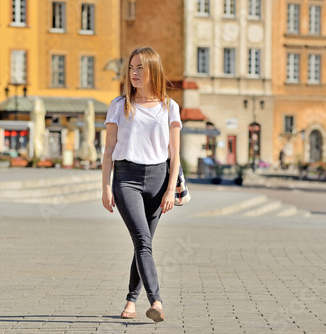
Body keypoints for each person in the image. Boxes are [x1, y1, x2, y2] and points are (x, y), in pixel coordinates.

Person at [101, 46, 182, 323]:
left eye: (140, 68)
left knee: (142, 245)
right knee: (143, 241)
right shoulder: (119, 105)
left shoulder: (169, 107)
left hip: (159, 181)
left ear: (153, 71)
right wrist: (105, 187)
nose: (134, 73)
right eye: (131, 68)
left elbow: (175, 153)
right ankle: (156, 301)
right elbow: (109, 148)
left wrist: (171, 189)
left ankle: (130, 301)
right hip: (126, 179)